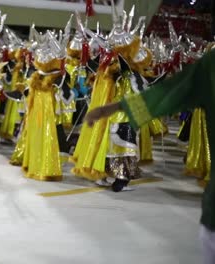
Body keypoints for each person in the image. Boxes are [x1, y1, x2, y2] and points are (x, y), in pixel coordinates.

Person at [84, 49, 215, 264]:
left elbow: (165, 93)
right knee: (123, 151)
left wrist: (114, 107)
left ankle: (121, 179)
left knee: (123, 151)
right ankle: (121, 179)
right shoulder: (210, 65)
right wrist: (116, 107)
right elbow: (165, 94)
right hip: (213, 217)